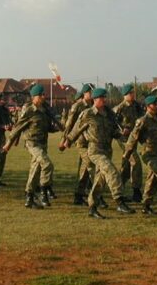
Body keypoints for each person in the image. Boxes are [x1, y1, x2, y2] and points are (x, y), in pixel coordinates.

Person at [67, 88, 135, 219]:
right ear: (95, 99)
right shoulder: (88, 114)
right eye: (102, 98)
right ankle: (119, 201)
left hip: (107, 150)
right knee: (112, 171)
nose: (105, 100)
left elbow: (115, 132)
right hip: (95, 150)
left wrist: (122, 134)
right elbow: (76, 129)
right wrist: (68, 141)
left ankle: (92, 207)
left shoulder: (109, 114)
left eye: (105, 97)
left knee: (100, 180)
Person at [3, 84, 59, 209]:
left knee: (36, 169)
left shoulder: (45, 109)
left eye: (44, 94)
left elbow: (46, 126)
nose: (43, 97)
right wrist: (8, 143)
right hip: (32, 143)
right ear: (34, 97)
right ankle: (43, 190)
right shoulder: (28, 110)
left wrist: (56, 128)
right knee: (47, 164)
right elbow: (18, 127)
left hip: (42, 143)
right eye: (41, 95)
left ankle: (29, 197)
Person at [61, 84, 96, 205]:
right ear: (85, 93)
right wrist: (65, 140)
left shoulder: (93, 106)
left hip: (90, 141)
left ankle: (79, 195)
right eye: (90, 92)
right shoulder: (78, 106)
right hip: (80, 141)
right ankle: (96, 195)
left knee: (85, 168)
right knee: (91, 165)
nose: (92, 95)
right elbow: (69, 124)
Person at [112, 84, 145, 202]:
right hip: (124, 140)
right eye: (130, 93)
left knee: (125, 168)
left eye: (133, 93)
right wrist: (121, 130)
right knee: (135, 161)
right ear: (125, 95)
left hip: (134, 138)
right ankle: (136, 191)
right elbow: (112, 124)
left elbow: (143, 118)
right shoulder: (119, 108)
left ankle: (117, 189)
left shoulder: (137, 106)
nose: (132, 95)